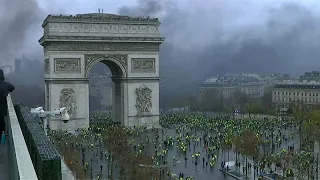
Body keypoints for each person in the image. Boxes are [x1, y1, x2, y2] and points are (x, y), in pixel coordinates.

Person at [0, 69, 15, 137]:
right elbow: (12, 88)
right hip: (2, 108)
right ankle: (3, 134)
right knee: (1, 121)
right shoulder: (6, 84)